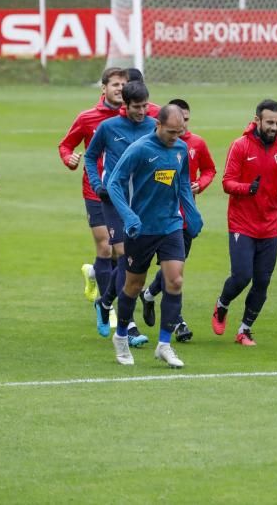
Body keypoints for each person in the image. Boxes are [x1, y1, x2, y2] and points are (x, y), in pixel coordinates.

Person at [106, 104, 203, 368]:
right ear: (157, 125)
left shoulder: (181, 149)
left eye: (180, 132)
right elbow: (113, 182)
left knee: (175, 280)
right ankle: (122, 336)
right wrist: (129, 216)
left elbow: (183, 182)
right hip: (141, 229)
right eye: (171, 132)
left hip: (171, 225)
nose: (176, 138)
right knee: (133, 286)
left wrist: (192, 212)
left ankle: (164, 344)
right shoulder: (139, 149)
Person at [212, 99, 277, 346]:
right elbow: (227, 182)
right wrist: (247, 189)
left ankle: (245, 329)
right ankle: (222, 305)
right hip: (242, 223)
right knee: (242, 276)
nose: (274, 127)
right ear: (257, 121)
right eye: (269, 122)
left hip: (270, 225)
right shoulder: (240, 146)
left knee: (262, 281)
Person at [84, 80, 155, 345]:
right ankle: (129, 326)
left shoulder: (152, 126)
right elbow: (90, 157)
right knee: (124, 256)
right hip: (114, 200)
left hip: (142, 202)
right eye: (137, 106)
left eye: (146, 105)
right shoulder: (108, 127)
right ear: (125, 105)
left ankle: (104, 303)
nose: (143, 111)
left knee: (135, 262)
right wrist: (97, 184)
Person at [140, 98, 216, 342]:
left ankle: (150, 294)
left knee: (175, 270)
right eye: (176, 122)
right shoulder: (153, 146)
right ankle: (177, 322)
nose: (181, 126)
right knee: (171, 273)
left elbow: (209, 170)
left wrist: (200, 184)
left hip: (184, 220)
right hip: (157, 219)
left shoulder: (196, 144)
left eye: (185, 121)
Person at [58, 67, 127, 303]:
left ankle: (96, 273)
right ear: (104, 88)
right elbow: (65, 146)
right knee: (106, 246)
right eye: (115, 84)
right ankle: (108, 309)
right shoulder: (87, 118)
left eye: (123, 84)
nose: (120, 89)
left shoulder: (136, 116)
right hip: (96, 189)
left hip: (128, 191)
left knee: (123, 252)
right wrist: (69, 159)